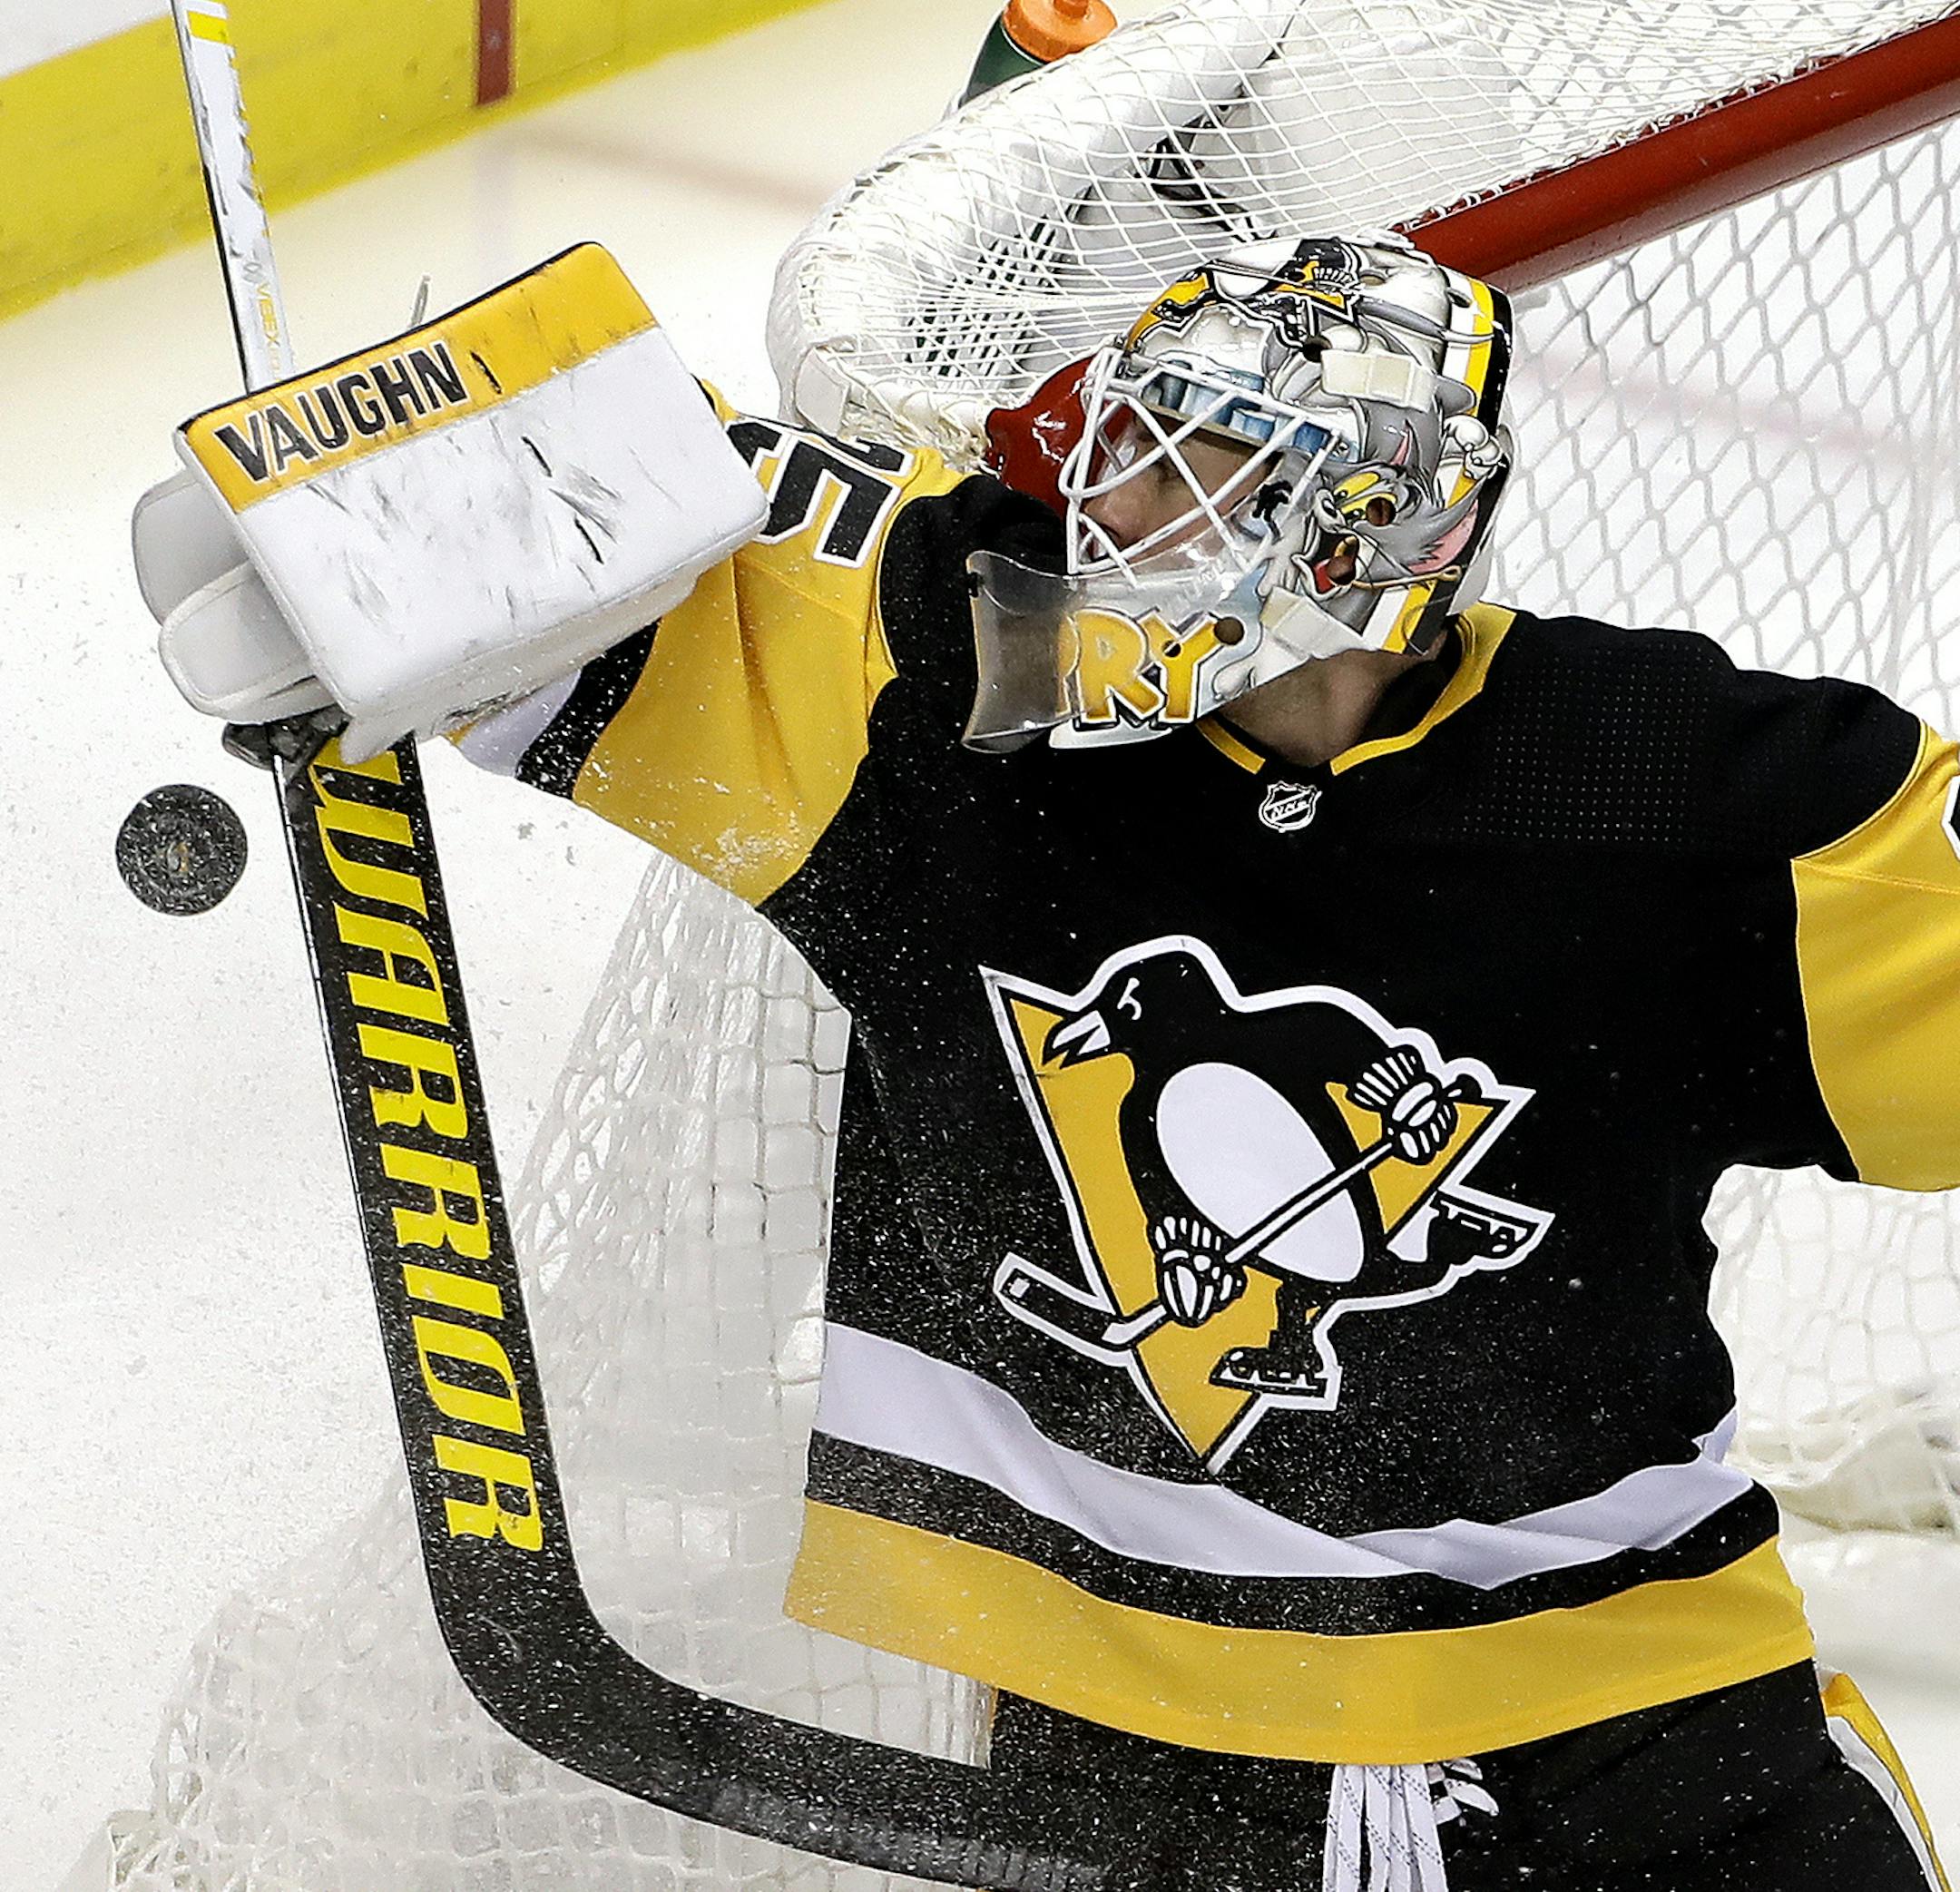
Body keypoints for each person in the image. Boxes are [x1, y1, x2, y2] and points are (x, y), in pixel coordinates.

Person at [151, 233, 1953, 1890]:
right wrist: (375, 523)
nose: (1115, 505)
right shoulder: (960, 664)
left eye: (1202, 469)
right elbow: (640, 498)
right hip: (1128, 1756)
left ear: (1376, 532)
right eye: (1131, 445)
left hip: (1632, 1736)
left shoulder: (1683, 798)